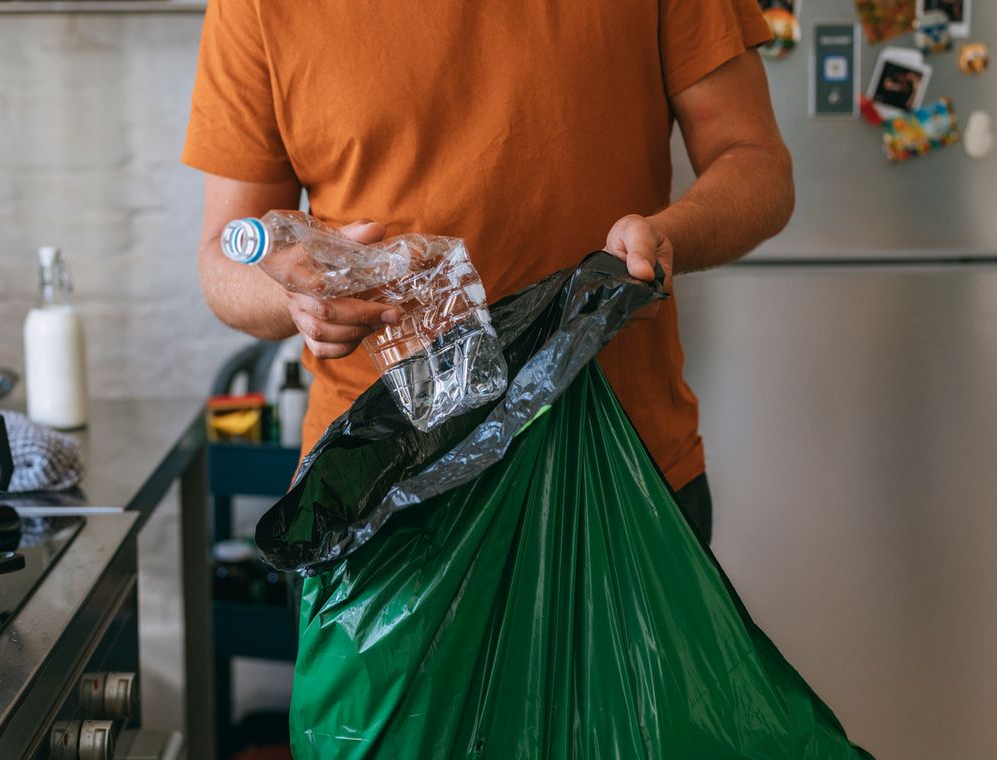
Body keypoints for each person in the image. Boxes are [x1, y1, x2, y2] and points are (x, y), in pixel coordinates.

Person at [183, 1, 794, 545]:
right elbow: (223, 258)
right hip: (381, 500)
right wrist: (295, 297)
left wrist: (669, 240)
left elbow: (757, 162)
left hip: (620, 472)